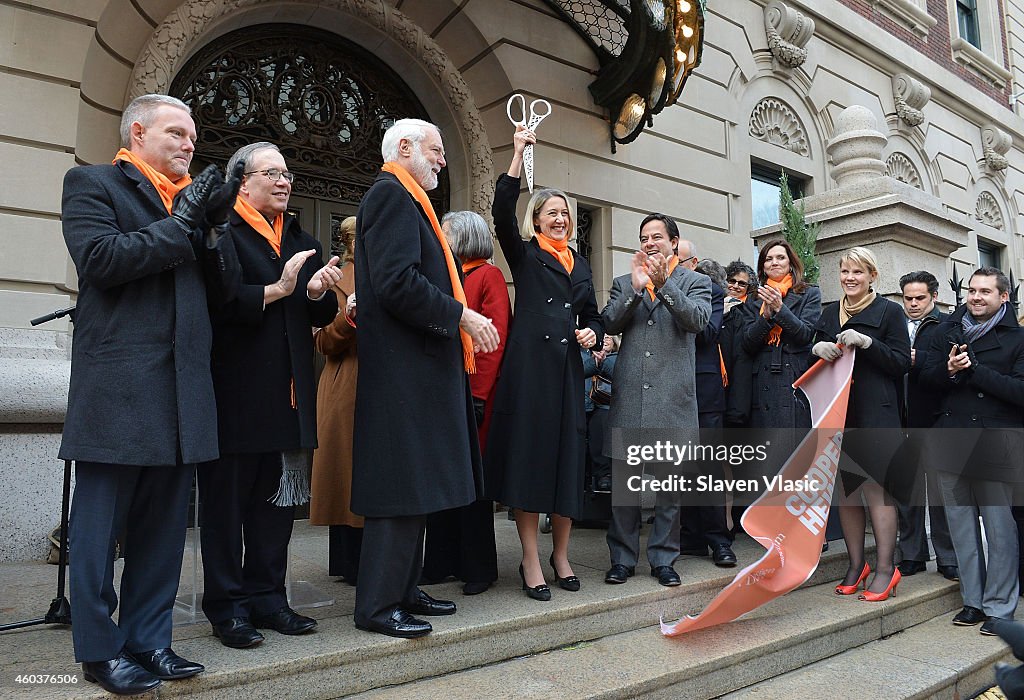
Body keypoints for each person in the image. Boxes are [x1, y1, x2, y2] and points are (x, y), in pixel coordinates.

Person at [60, 94, 240, 694]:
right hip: (118, 390)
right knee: (98, 531)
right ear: (137, 131)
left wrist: (213, 229)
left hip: (183, 392)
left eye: (193, 136)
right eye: (177, 132)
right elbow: (102, 259)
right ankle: (98, 648)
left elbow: (221, 295)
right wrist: (184, 224)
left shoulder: (189, 205)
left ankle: (150, 640)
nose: (191, 144)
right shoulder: (91, 183)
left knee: (165, 533)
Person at [351, 118, 498, 637]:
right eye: (436, 150)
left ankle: (404, 589)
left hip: (416, 372)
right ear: (406, 148)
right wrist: (462, 315)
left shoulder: (408, 199)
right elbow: (396, 283)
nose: (441, 159)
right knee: (398, 489)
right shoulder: (391, 196)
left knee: (415, 487)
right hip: (401, 375)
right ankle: (376, 606)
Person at [199, 142, 341, 648]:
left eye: (288, 174)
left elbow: (319, 320)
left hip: (288, 395)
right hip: (235, 393)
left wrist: (319, 293)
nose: (284, 181)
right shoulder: (221, 234)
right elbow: (217, 305)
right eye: (272, 173)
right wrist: (279, 289)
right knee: (226, 509)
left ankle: (269, 598)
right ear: (243, 181)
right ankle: (227, 608)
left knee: (274, 509)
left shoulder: (302, 238)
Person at [485, 123, 603, 601]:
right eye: (552, 213)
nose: (560, 219)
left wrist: (594, 331)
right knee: (531, 463)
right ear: (536, 220)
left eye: (565, 214)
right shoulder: (525, 254)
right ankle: (531, 558)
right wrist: (516, 154)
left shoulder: (580, 262)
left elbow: (592, 312)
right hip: (530, 373)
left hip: (568, 376)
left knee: (567, 463)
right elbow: (499, 214)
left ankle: (561, 555)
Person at [601, 217, 711, 587]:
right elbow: (609, 324)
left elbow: (697, 320)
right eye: (644, 238)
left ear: (673, 243)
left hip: (672, 401)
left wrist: (664, 286)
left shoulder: (697, 282)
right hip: (630, 398)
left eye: (657, 237)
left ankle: (664, 559)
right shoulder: (623, 282)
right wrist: (635, 290)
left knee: (668, 492)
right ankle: (621, 559)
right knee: (625, 490)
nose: (649, 243)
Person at [921, 266, 1024, 634]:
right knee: (961, 526)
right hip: (951, 439)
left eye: (985, 291)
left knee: (999, 529)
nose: (976, 297)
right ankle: (973, 601)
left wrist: (976, 371)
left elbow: (1019, 393)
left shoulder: (1018, 338)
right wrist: (949, 370)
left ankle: (1000, 607)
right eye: (972, 290)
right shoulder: (946, 330)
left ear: (1003, 297)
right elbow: (924, 380)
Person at [811, 246, 911, 601]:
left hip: (875, 415)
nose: (850, 278)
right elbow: (812, 354)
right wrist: (816, 348)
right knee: (847, 494)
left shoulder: (890, 311)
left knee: (876, 492)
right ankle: (856, 565)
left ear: (872, 276)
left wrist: (868, 342)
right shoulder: (827, 313)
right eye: (844, 272)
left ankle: (886, 569)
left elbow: (901, 362)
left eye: (858, 272)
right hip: (838, 415)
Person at [422, 210, 510, 595]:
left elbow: (493, 343)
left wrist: (477, 396)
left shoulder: (487, 276)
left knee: (474, 487)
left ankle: (478, 568)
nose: (441, 239)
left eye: (446, 234)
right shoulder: (453, 276)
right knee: (444, 480)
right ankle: (441, 561)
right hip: (446, 393)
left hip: (475, 394)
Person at [893, 271, 957, 581]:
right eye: (908, 298)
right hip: (900, 418)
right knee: (907, 493)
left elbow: (953, 372)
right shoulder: (894, 324)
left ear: (934, 296)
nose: (914, 303)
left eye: (920, 298)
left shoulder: (948, 325)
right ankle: (912, 555)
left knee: (942, 496)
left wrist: (923, 360)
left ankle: (948, 558)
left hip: (935, 418)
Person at [310, 216, 362, 585]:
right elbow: (322, 341)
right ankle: (349, 563)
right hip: (346, 383)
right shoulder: (336, 278)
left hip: (380, 385)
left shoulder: (390, 271)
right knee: (345, 476)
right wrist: (348, 318)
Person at [679, 253, 737, 566]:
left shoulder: (710, 290)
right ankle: (690, 537)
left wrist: (678, 302)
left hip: (705, 392)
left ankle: (719, 540)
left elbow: (709, 333)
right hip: (671, 390)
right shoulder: (656, 288)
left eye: (687, 259)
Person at [584, 335, 618, 493]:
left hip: (605, 407)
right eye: (601, 337)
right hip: (586, 406)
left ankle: (604, 475)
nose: (604, 340)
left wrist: (601, 359)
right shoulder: (584, 356)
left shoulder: (615, 358)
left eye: (608, 337)